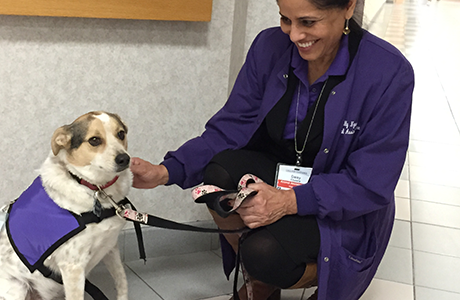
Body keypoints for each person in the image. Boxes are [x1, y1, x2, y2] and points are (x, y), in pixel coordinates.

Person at [130, 0, 414, 299]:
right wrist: (166, 171)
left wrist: (289, 201)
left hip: (343, 204)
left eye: (307, 22)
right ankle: (261, 285)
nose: (293, 35)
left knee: (264, 252)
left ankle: (273, 271)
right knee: (219, 172)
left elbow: (370, 184)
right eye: (285, 19)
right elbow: (230, 129)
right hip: (280, 175)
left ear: (347, 7)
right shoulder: (269, 46)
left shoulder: (388, 71)